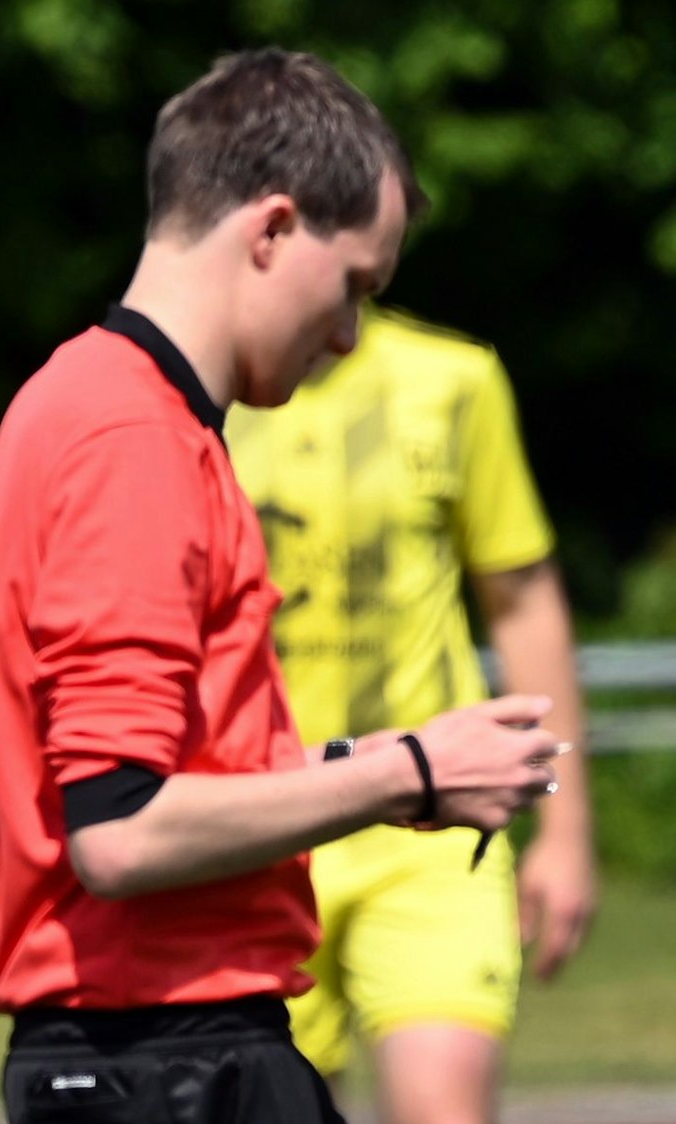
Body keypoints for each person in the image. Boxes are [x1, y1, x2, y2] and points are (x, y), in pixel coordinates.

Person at [0, 48, 569, 1124]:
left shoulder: (120, 410)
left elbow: (169, 770)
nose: (346, 335)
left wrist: (385, 761)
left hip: (167, 1049)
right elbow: (120, 828)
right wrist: (409, 773)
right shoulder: (129, 437)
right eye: (352, 287)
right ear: (273, 229)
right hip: (158, 1053)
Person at [226, 304, 597, 1124]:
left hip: (433, 820)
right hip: (257, 823)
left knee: (445, 1105)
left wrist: (564, 829)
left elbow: (521, 598)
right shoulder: (198, 396)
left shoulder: (455, 380)